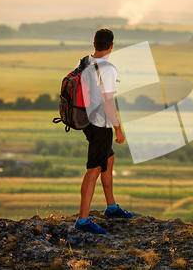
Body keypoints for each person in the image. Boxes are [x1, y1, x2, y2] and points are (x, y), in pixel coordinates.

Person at [74, 28, 132, 234]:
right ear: (112, 46)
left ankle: (111, 206)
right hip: (100, 124)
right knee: (94, 169)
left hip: (85, 121)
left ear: (94, 44)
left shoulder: (83, 62)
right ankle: (82, 220)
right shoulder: (108, 69)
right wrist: (118, 129)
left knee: (108, 159)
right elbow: (108, 103)